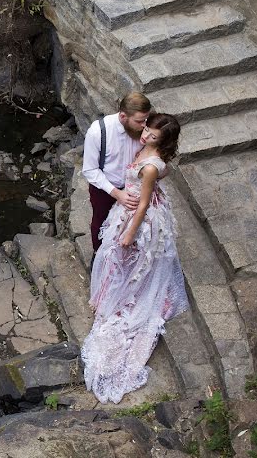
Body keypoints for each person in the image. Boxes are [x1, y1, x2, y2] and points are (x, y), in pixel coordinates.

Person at [81, 113, 190, 404]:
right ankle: (111, 293)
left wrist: (130, 232)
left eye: (152, 137)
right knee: (116, 259)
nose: (145, 137)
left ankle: (122, 297)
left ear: (162, 141)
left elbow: (142, 204)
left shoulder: (152, 166)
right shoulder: (151, 156)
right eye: (147, 131)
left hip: (137, 217)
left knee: (128, 257)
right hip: (129, 206)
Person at [81, 92, 151, 253]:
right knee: (100, 222)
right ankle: (99, 256)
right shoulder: (98, 132)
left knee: (132, 224)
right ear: (123, 116)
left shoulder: (144, 129)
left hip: (135, 188)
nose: (144, 125)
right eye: (140, 121)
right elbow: (90, 170)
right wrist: (117, 194)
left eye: (146, 119)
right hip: (104, 189)